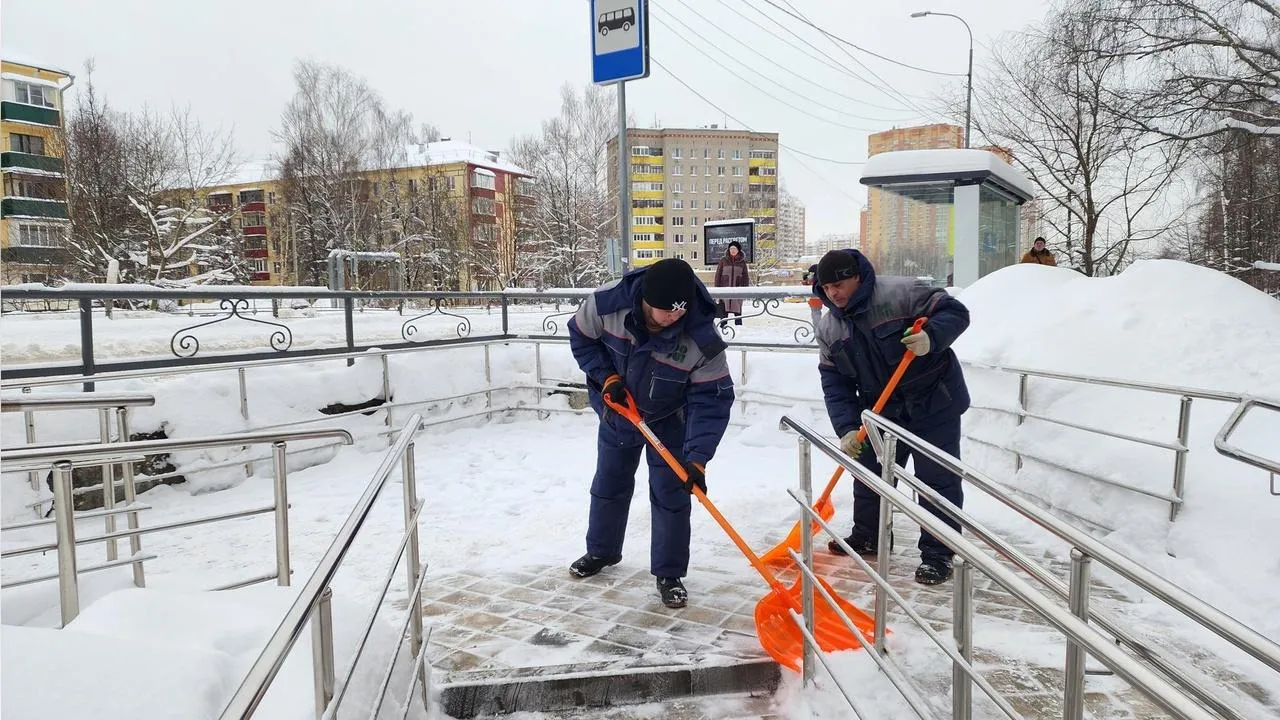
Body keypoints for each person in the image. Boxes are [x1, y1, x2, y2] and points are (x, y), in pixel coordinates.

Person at [566, 258, 735, 608]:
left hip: (672, 419)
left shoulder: (702, 338)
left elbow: (712, 400)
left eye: (680, 312)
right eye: (666, 312)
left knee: (671, 496)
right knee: (609, 486)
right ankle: (601, 552)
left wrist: (697, 460)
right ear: (645, 299)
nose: (674, 317)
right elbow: (582, 339)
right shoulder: (605, 305)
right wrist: (606, 377)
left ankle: (669, 573)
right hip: (620, 410)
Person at [812, 249, 971, 585]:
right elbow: (835, 384)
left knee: (935, 481)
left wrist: (932, 337)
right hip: (881, 410)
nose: (833, 293)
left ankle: (939, 554)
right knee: (869, 473)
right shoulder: (830, 328)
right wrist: (847, 428)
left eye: (839, 284)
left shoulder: (901, 294)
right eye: (826, 288)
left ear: (857, 276)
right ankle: (869, 536)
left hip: (933, 401)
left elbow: (955, 313)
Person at [713, 241, 750, 327]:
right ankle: (723, 328)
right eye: (731, 249)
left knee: (738, 314)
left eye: (734, 249)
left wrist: (745, 290)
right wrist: (717, 290)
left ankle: (739, 329)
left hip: (737, 292)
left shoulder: (742, 262)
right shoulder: (723, 261)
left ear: (738, 250)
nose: (732, 250)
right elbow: (718, 275)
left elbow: (745, 277)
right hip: (724, 291)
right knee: (723, 313)